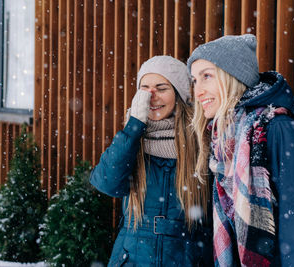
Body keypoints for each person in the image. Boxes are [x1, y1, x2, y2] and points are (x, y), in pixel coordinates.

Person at [187, 34, 294, 266]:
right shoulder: (225, 143)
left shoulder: (279, 131)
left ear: (233, 77)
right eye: (194, 80)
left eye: (207, 76)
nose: (198, 90)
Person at [90, 55, 213, 266]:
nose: (151, 96)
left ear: (179, 94)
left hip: (185, 257)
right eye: (145, 88)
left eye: (161, 88)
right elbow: (107, 183)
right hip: (132, 258)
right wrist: (134, 125)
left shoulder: (201, 140)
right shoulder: (131, 140)